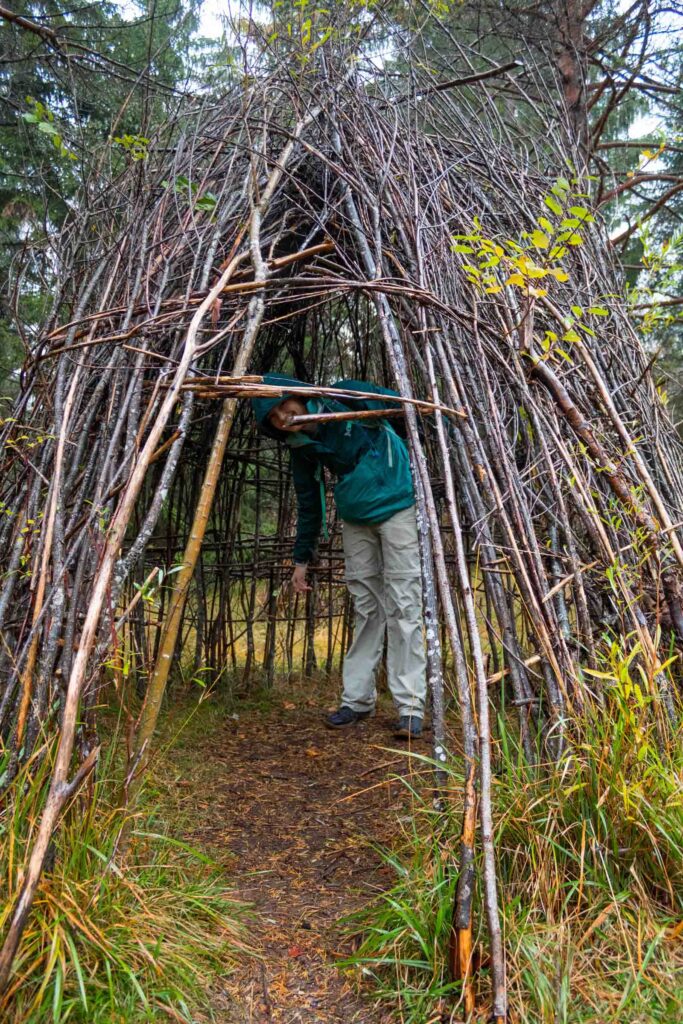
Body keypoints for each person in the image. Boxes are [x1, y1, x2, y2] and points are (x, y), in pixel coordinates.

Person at [251, 373, 427, 739]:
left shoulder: (343, 396)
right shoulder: (300, 445)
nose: (283, 418)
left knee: (404, 602)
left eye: (282, 407)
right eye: (274, 419)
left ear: (295, 395)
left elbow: (400, 406)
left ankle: (410, 707)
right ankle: (356, 701)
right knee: (366, 606)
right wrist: (301, 560)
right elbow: (309, 502)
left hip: (397, 505)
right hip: (355, 515)